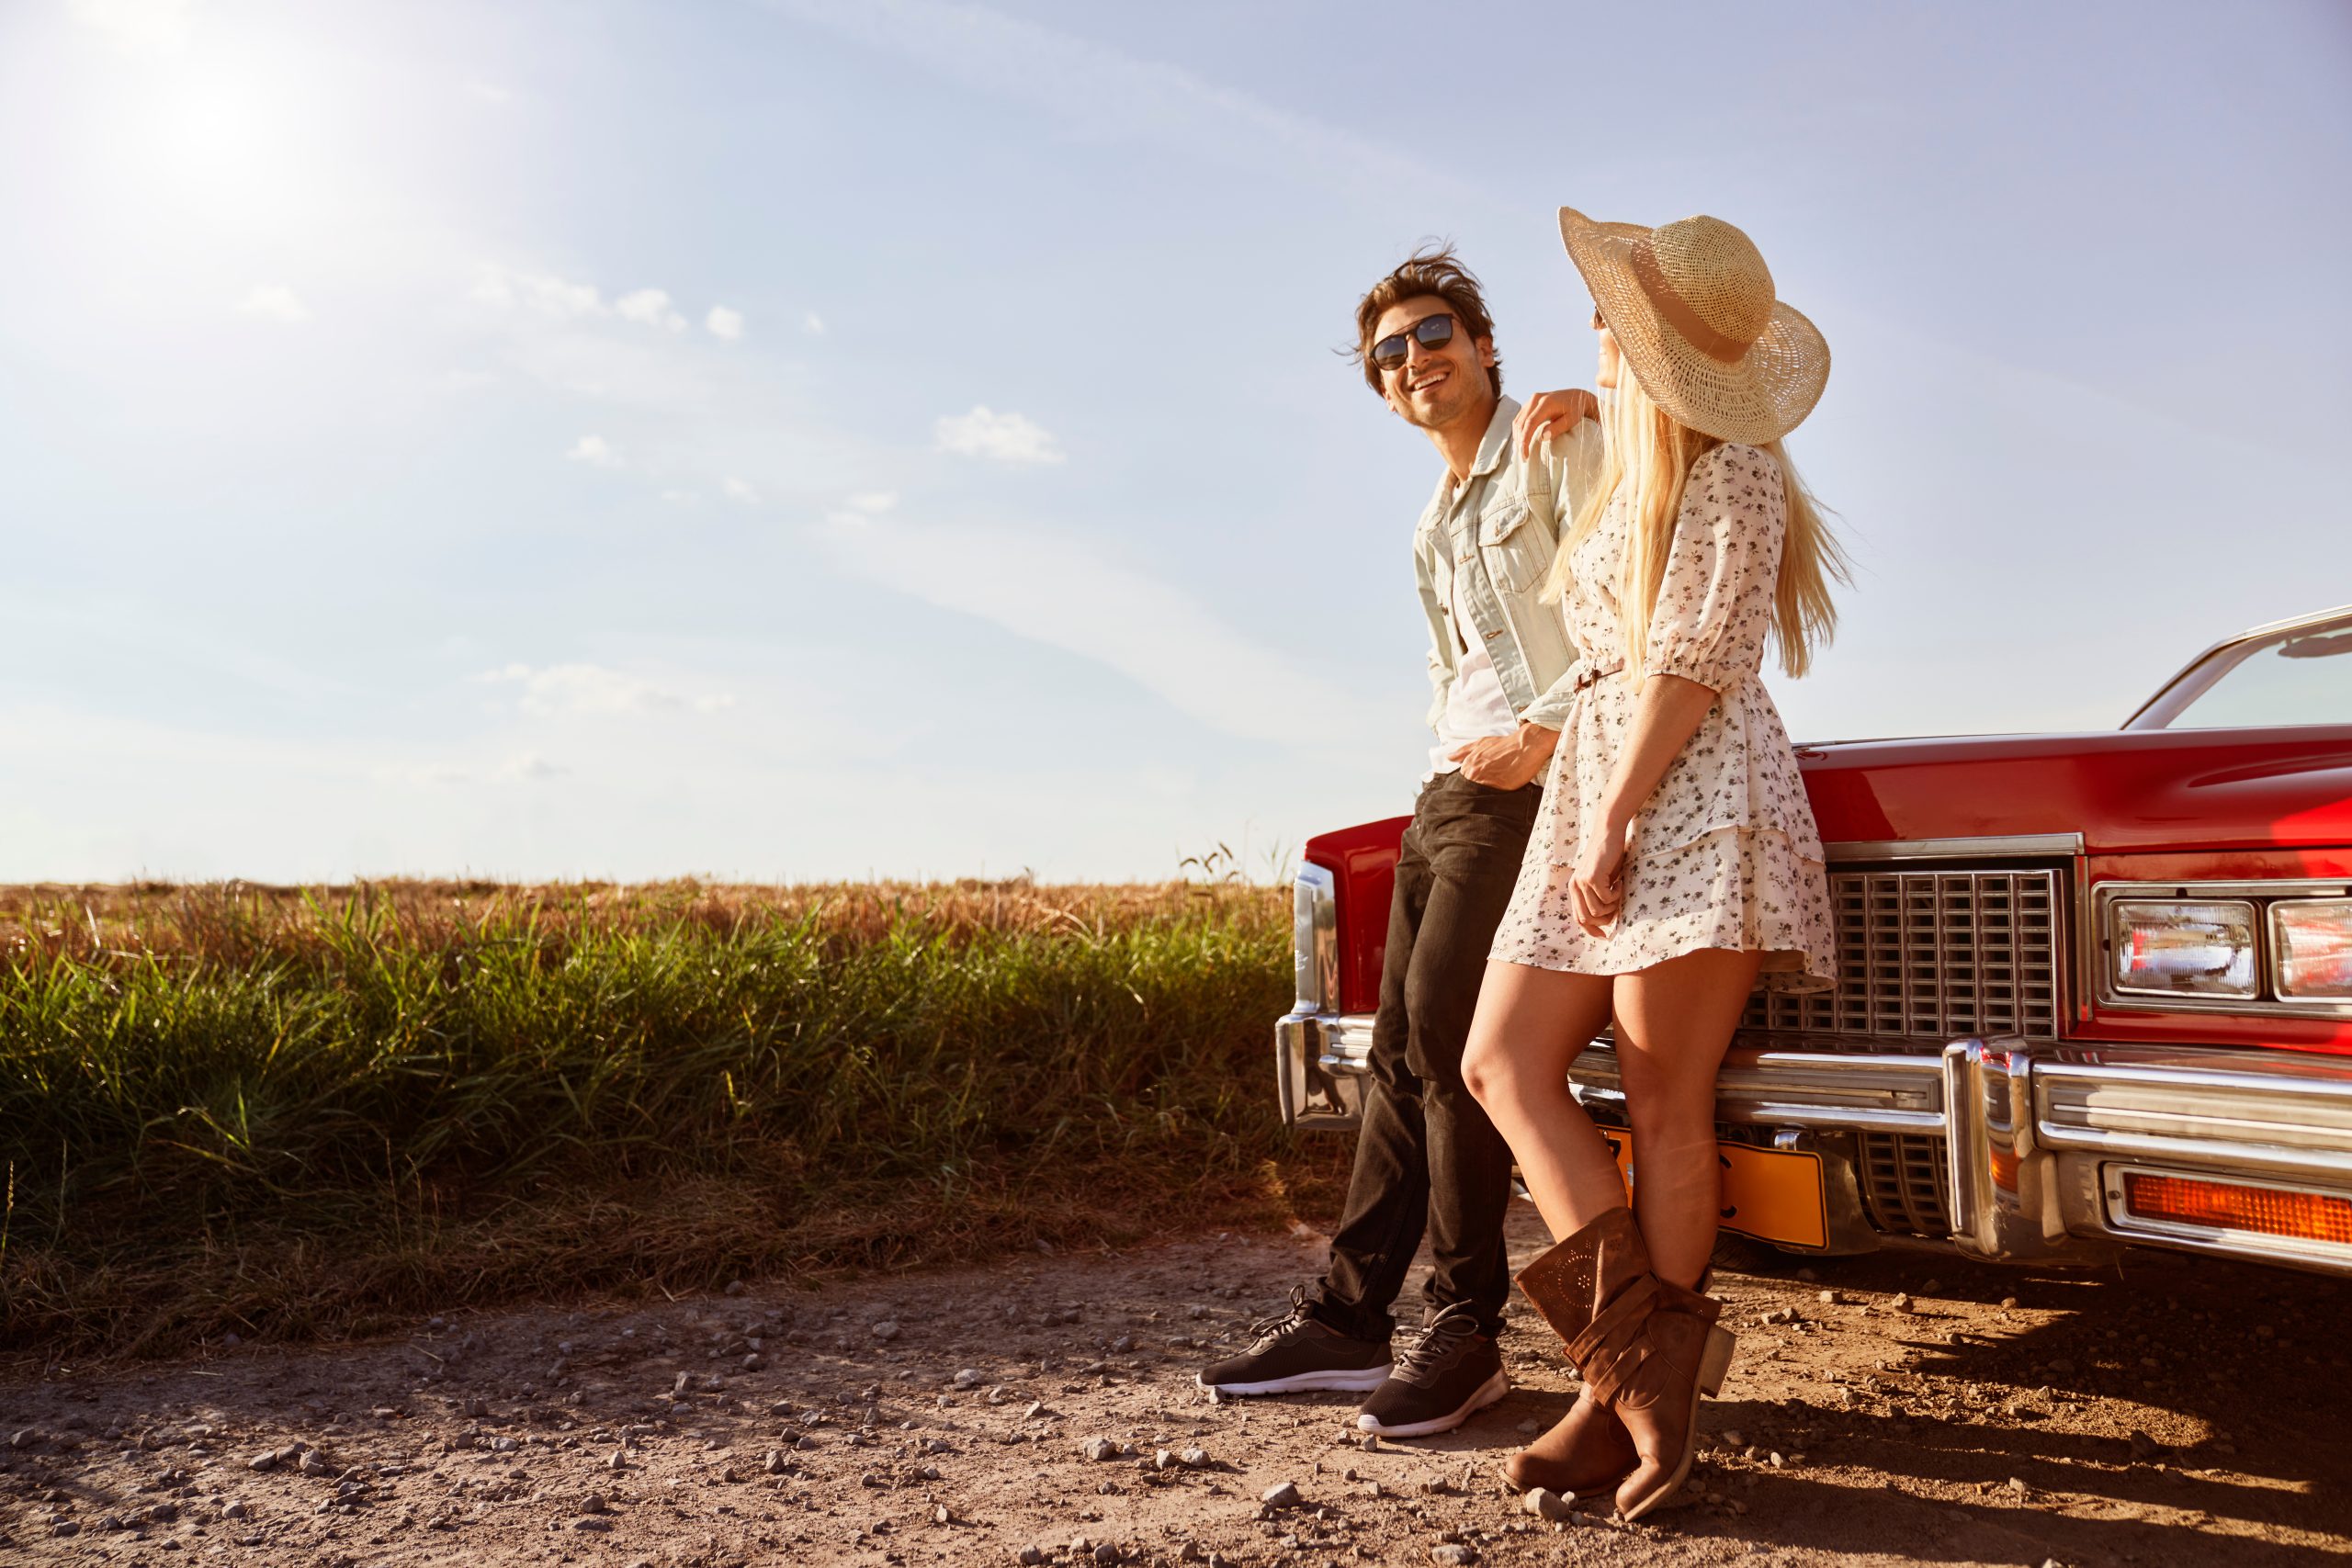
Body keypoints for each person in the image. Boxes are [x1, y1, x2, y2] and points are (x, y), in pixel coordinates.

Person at [1460, 209, 1846, 1519]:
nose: (1588, 329)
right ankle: (1630, 1374)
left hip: (1689, 788)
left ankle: (1626, 1397)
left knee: (1663, 1100)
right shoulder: (1634, 467)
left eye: (1611, 319)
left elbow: (1698, 657)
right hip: (1604, 779)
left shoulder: (1732, 464)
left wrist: (1618, 809)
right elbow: (1614, 647)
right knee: (1500, 1061)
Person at [1196, 246, 1601, 1438]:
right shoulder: (1437, 511)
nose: (1413, 360)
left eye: (1433, 336)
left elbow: (1633, 574)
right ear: (1379, 388)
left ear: (1482, 346)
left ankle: (1467, 1327)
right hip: (1447, 782)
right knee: (1392, 1053)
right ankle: (1346, 1316)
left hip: (1530, 780)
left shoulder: (1554, 438)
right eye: (1390, 354)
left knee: (1450, 1037)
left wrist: (1549, 731)